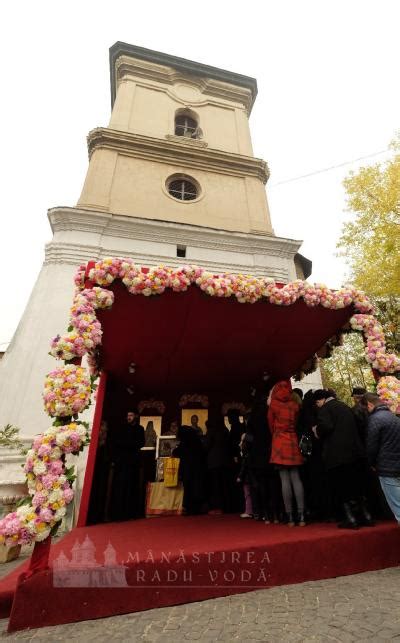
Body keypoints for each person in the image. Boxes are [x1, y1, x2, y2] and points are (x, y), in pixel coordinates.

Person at [313, 389, 373, 529]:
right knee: (357, 486)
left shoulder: (325, 409)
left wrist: (317, 430)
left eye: (317, 402)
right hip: (355, 453)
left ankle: (350, 518)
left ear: (321, 400)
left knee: (341, 487)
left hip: (337, 455)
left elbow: (326, 426)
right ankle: (367, 516)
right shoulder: (344, 406)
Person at [268, 380, 305, 526]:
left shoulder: (273, 405)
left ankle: (290, 517)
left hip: (279, 440)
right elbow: (295, 423)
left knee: (284, 479)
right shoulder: (294, 405)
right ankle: (301, 516)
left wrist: (277, 434)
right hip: (292, 439)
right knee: (296, 477)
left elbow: (270, 423)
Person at [365, 392, 400, 524]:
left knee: (397, 507)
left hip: (387, 468)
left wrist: (371, 463)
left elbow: (371, 446)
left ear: (370, 404)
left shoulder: (375, 419)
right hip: (397, 464)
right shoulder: (394, 417)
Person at [109, 410, 145, 521]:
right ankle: (119, 513)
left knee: (132, 486)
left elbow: (141, 443)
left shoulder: (140, 429)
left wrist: (129, 444)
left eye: (131, 415)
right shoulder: (122, 428)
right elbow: (118, 442)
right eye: (128, 415)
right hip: (122, 462)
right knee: (121, 487)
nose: (128, 417)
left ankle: (131, 513)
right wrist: (130, 445)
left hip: (133, 463)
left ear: (136, 416)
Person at [174, 425, 206, 515]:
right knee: (197, 487)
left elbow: (178, 452)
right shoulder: (196, 441)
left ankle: (189, 508)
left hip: (188, 468)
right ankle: (197, 508)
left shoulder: (185, 442)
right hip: (198, 468)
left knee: (188, 488)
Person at [204, 420, 232, 514]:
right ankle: (227, 507)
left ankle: (217, 507)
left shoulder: (211, 431)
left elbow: (206, 446)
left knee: (216, 486)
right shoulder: (225, 431)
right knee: (225, 485)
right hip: (226, 462)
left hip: (214, 463)